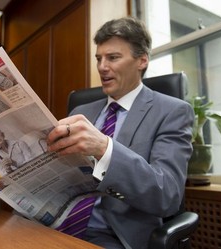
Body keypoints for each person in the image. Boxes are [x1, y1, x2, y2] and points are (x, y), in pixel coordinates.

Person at [47, 17, 194, 249]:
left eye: (113, 57)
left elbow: (168, 195)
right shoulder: (81, 111)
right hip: (54, 224)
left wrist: (105, 149)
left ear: (142, 60)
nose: (102, 67)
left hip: (113, 235)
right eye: (99, 58)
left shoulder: (172, 112)